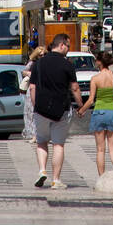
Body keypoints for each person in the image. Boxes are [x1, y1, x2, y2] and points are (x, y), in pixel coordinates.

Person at [29, 32, 83, 189]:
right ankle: (56, 180)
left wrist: (35, 106)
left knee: (41, 141)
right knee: (58, 144)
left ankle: (42, 170)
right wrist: (80, 105)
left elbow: (32, 87)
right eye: (68, 46)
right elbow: (74, 87)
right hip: (61, 110)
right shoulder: (67, 65)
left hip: (41, 109)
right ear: (61, 45)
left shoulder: (38, 63)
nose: (68, 49)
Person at [20, 45, 47, 143]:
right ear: (36, 55)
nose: (42, 56)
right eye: (40, 55)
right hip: (32, 90)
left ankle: (40, 135)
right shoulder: (32, 63)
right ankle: (33, 135)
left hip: (43, 90)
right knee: (30, 113)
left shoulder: (46, 64)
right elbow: (23, 72)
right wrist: (29, 74)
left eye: (44, 54)